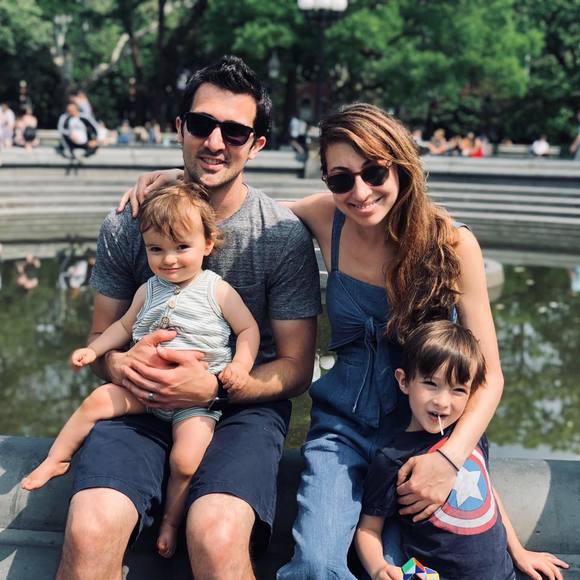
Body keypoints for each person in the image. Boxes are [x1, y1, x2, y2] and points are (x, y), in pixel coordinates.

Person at [121, 103, 506, 579]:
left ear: (401, 166)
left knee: (409, 564)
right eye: (341, 179)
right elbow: (244, 206)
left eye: (374, 172)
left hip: (426, 432)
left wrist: (449, 458)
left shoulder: (452, 243)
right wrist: (178, 183)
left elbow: (489, 376)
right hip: (343, 429)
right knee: (316, 565)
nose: (359, 192)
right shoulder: (329, 217)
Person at [56, 55, 320, 580]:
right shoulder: (128, 223)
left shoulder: (281, 234)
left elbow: (296, 367)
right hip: (139, 398)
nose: (215, 142)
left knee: (216, 535)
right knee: (90, 529)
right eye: (202, 124)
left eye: (235, 132)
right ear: (180, 128)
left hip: (242, 408)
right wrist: (119, 366)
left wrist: (217, 387)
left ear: (256, 144)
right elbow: (100, 339)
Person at [22, 183, 260, 559]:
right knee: (98, 400)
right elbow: (120, 327)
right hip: (142, 390)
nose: (169, 260)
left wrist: (240, 367)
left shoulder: (218, 290)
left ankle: (171, 521)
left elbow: (248, 330)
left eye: (181, 247)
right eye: (156, 249)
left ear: (207, 243)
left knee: (186, 459)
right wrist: (94, 350)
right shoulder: (148, 290)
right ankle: (56, 458)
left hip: (194, 400)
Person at [355, 320, 568, 580]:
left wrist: (519, 552)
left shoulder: (469, 435)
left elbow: (488, 492)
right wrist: (378, 568)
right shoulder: (392, 459)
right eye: (431, 384)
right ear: (404, 381)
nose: (442, 402)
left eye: (458, 390)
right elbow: (368, 529)